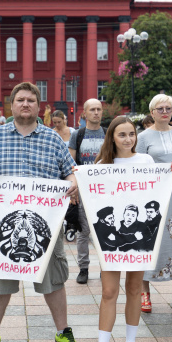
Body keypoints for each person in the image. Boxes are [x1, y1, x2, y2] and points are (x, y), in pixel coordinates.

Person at [0, 82, 82, 342]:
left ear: (39, 106)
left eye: (31, 100)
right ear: (12, 104)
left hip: (46, 224)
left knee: (53, 278)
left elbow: (70, 171)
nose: (26, 104)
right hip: (5, 223)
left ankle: (62, 331)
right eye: (20, 99)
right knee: (0, 280)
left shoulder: (53, 138)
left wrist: (73, 184)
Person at [88, 116, 154, 342]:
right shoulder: (102, 164)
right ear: (112, 138)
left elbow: (155, 192)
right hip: (112, 242)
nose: (128, 139)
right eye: (122, 135)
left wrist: (167, 174)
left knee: (135, 289)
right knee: (108, 292)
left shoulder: (146, 161)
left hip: (138, 238)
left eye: (131, 134)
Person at [136, 94, 172, 312]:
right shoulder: (143, 137)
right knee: (151, 240)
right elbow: (138, 165)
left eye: (168, 108)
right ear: (152, 112)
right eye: (160, 108)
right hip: (153, 195)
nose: (164, 112)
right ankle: (145, 291)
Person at [69, 99, 105, 285]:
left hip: (104, 189)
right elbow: (71, 163)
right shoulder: (78, 134)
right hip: (84, 189)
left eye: (99, 109)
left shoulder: (108, 133)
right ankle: (83, 268)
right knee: (84, 231)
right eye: (92, 109)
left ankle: (104, 268)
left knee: (104, 229)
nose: (96, 113)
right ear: (85, 113)